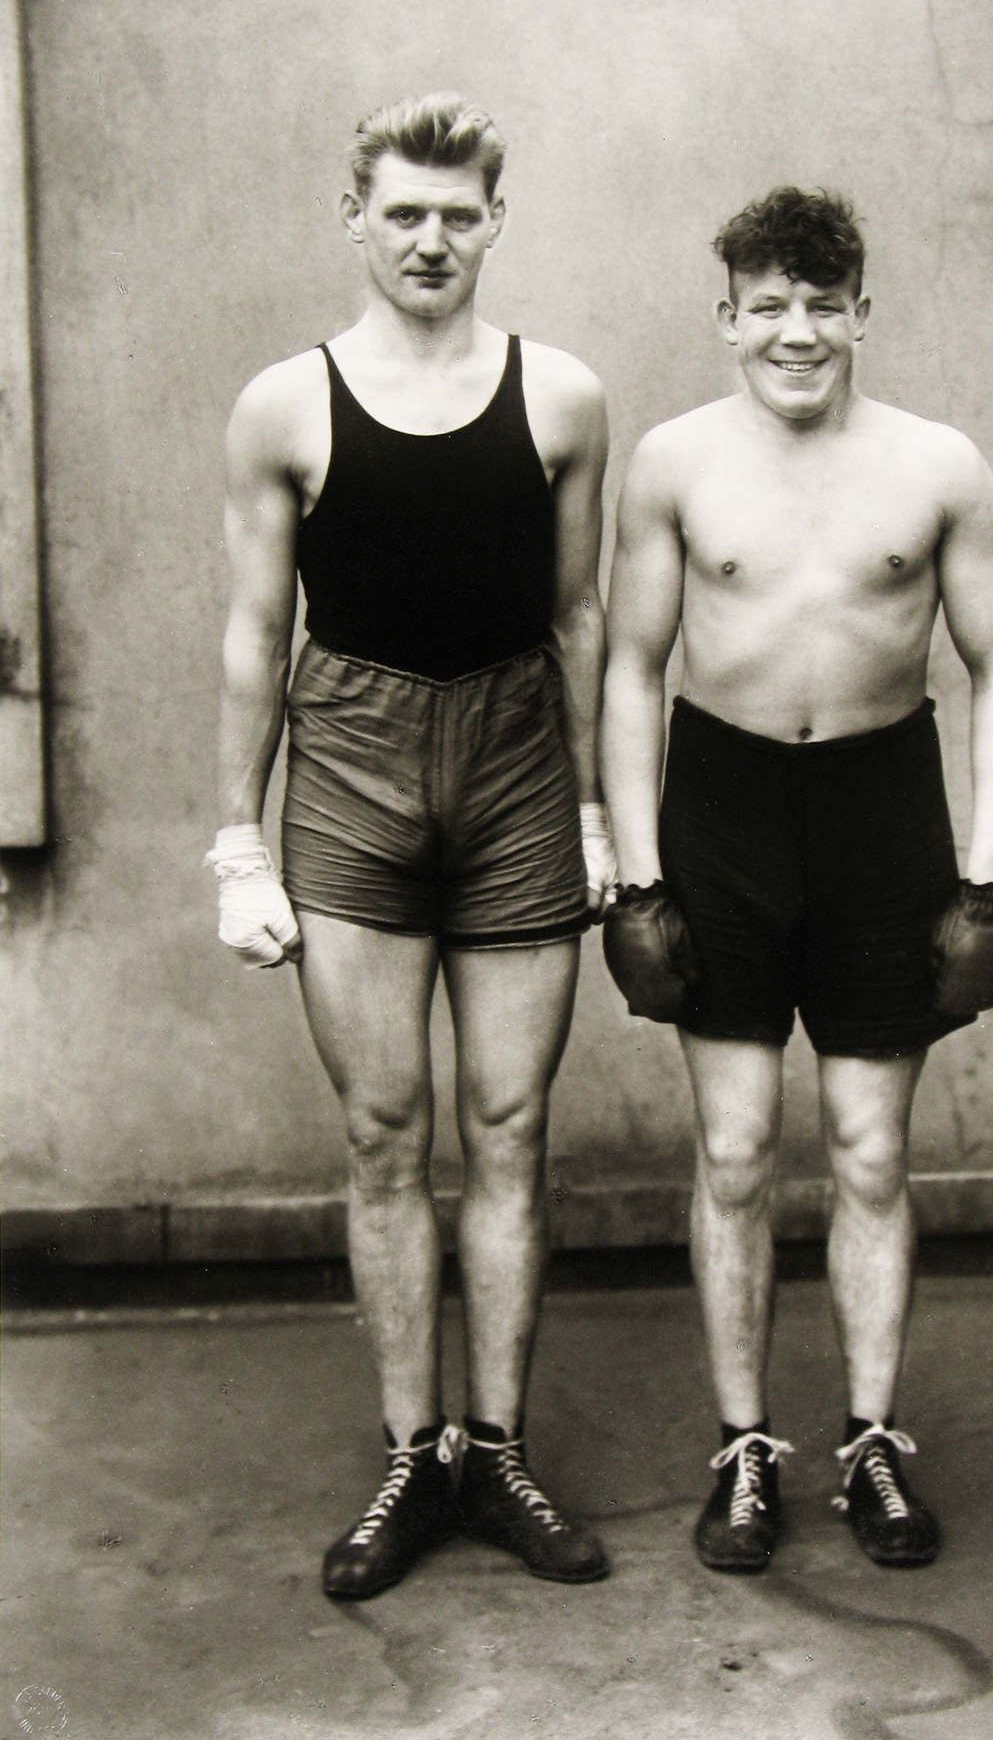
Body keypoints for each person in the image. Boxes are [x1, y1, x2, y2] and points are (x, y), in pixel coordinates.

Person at [210, 93, 616, 1599]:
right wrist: (235, 842)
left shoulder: (561, 397)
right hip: (354, 766)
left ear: (494, 223)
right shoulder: (285, 406)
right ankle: (408, 1454)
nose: (430, 239)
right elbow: (257, 633)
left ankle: (495, 1451)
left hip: (515, 768)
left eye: (456, 215)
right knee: (385, 1131)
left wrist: (598, 810)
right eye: (402, 214)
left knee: (509, 1126)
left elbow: (578, 617)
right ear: (355, 222)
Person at [601, 187, 993, 1575]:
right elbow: (630, 670)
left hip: (880, 815)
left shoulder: (938, 466)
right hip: (722, 813)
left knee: (870, 1150)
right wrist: (634, 878)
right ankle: (743, 1448)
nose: (796, 332)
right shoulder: (673, 463)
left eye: (823, 305)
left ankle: (870, 1443)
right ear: (726, 317)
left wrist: (989, 884)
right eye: (769, 306)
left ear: (861, 314)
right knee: (734, 1153)